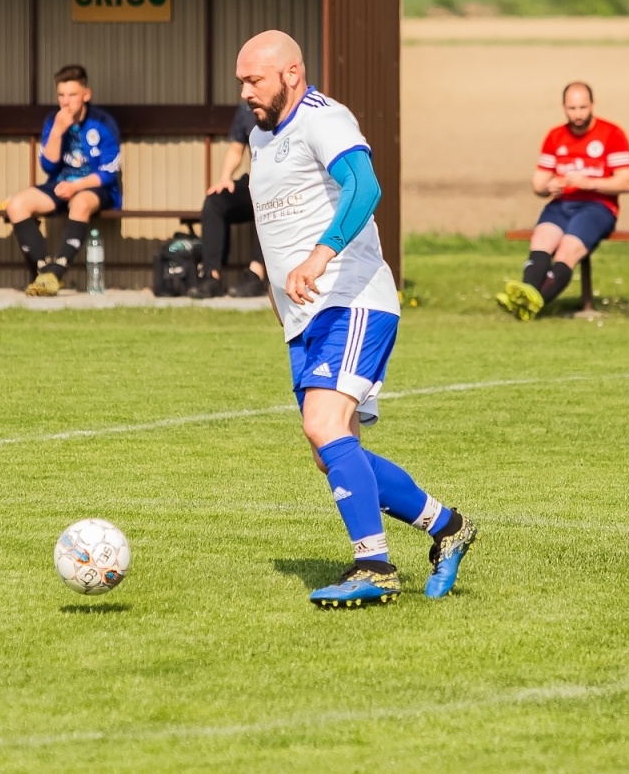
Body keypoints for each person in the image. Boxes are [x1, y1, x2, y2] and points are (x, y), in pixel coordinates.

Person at [236, 30, 478, 608]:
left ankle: (374, 566)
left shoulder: (324, 117)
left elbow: (363, 186)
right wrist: (282, 307)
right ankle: (448, 527)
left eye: (254, 79)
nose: (245, 90)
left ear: (291, 73)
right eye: (241, 80)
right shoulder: (259, 138)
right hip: (304, 317)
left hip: (354, 299)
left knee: (324, 424)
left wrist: (320, 255)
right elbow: (277, 232)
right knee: (330, 450)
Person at [497, 83, 629, 320]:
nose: (578, 114)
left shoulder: (612, 134)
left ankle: (530, 305)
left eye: (583, 107)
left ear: (592, 105)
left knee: (567, 251)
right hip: (562, 205)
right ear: (563, 107)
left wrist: (588, 182)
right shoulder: (555, 136)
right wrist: (548, 186)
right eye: (572, 108)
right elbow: (538, 183)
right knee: (541, 240)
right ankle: (525, 299)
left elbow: (627, 182)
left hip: (598, 207)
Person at [4, 65, 122, 297]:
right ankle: (46, 271)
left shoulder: (104, 123)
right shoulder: (53, 121)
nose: (66, 102)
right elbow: (48, 166)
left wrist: (76, 186)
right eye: (61, 95)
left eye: (72, 95)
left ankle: (55, 274)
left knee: (80, 203)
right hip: (60, 182)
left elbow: (109, 173)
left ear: (86, 95)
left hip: (95, 187)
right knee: (16, 205)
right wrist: (57, 131)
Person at [188, 101, 268, 299]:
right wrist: (225, 178)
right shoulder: (247, 109)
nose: (246, 90)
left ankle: (256, 275)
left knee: (265, 199)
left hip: (283, 190)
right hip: (254, 182)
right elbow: (235, 149)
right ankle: (211, 277)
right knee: (214, 201)